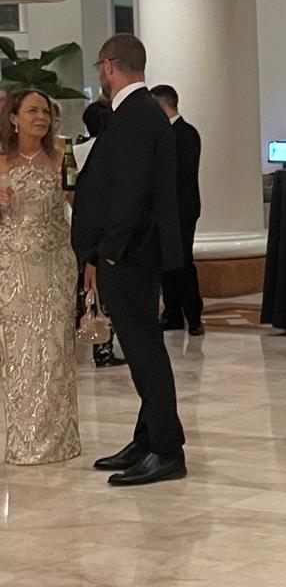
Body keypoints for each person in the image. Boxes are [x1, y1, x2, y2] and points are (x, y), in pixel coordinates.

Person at [72, 34, 187, 486]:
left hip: (130, 256)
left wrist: (108, 253)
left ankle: (167, 449)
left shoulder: (135, 115)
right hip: (135, 253)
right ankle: (147, 438)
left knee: (144, 352)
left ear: (107, 66)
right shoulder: (141, 113)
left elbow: (131, 194)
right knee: (144, 350)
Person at [0, 89, 81, 465]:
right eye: (32, 111)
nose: (41, 118)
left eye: (46, 112)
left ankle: (59, 438)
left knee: (54, 349)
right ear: (13, 118)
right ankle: (22, 439)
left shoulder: (62, 154)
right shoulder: (2, 160)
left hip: (56, 265)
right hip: (14, 267)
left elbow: (78, 202)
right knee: (19, 353)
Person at [73, 94, 127, 368]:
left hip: (77, 227)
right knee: (101, 291)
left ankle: (89, 334)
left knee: (85, 288)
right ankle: (103, 347)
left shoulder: (76, 150)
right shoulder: (109, 151)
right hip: (101, 230)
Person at [152, 85, 205, 337]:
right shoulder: (164, 134)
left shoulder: (185, 133)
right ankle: (172, 314)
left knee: (183, 262)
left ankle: (193, 316)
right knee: (166, 263)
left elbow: (180, 173)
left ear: (163, 105)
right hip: (165, 210)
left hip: (182, 209)